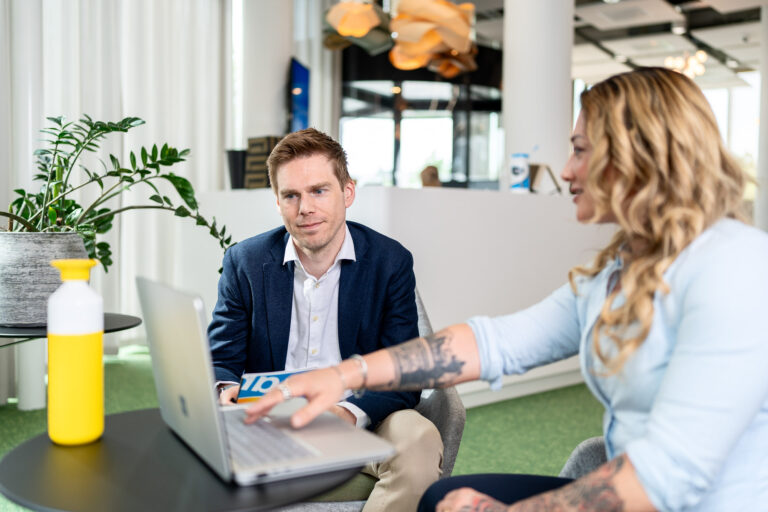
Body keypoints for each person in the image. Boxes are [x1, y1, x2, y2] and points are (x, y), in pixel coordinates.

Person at [245, 68, 768, 512]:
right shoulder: (623, 268)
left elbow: (666, 478)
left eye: (581, 150)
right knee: (440, 498)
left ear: (638, 156)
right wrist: (345, 375)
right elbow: (494, 343)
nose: (566, 170)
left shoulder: (734, 268)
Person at [208, 128, 443, 512]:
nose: (305, 208)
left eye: (319, 190)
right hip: (269, 416)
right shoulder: (245, 263)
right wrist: (225, 389)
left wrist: (347, 414)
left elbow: (403, 372)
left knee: (419, 438)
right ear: (278, 201)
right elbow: (223, 355)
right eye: (291, 195)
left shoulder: (390, 262)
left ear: (347, 192)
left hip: (358, 415)